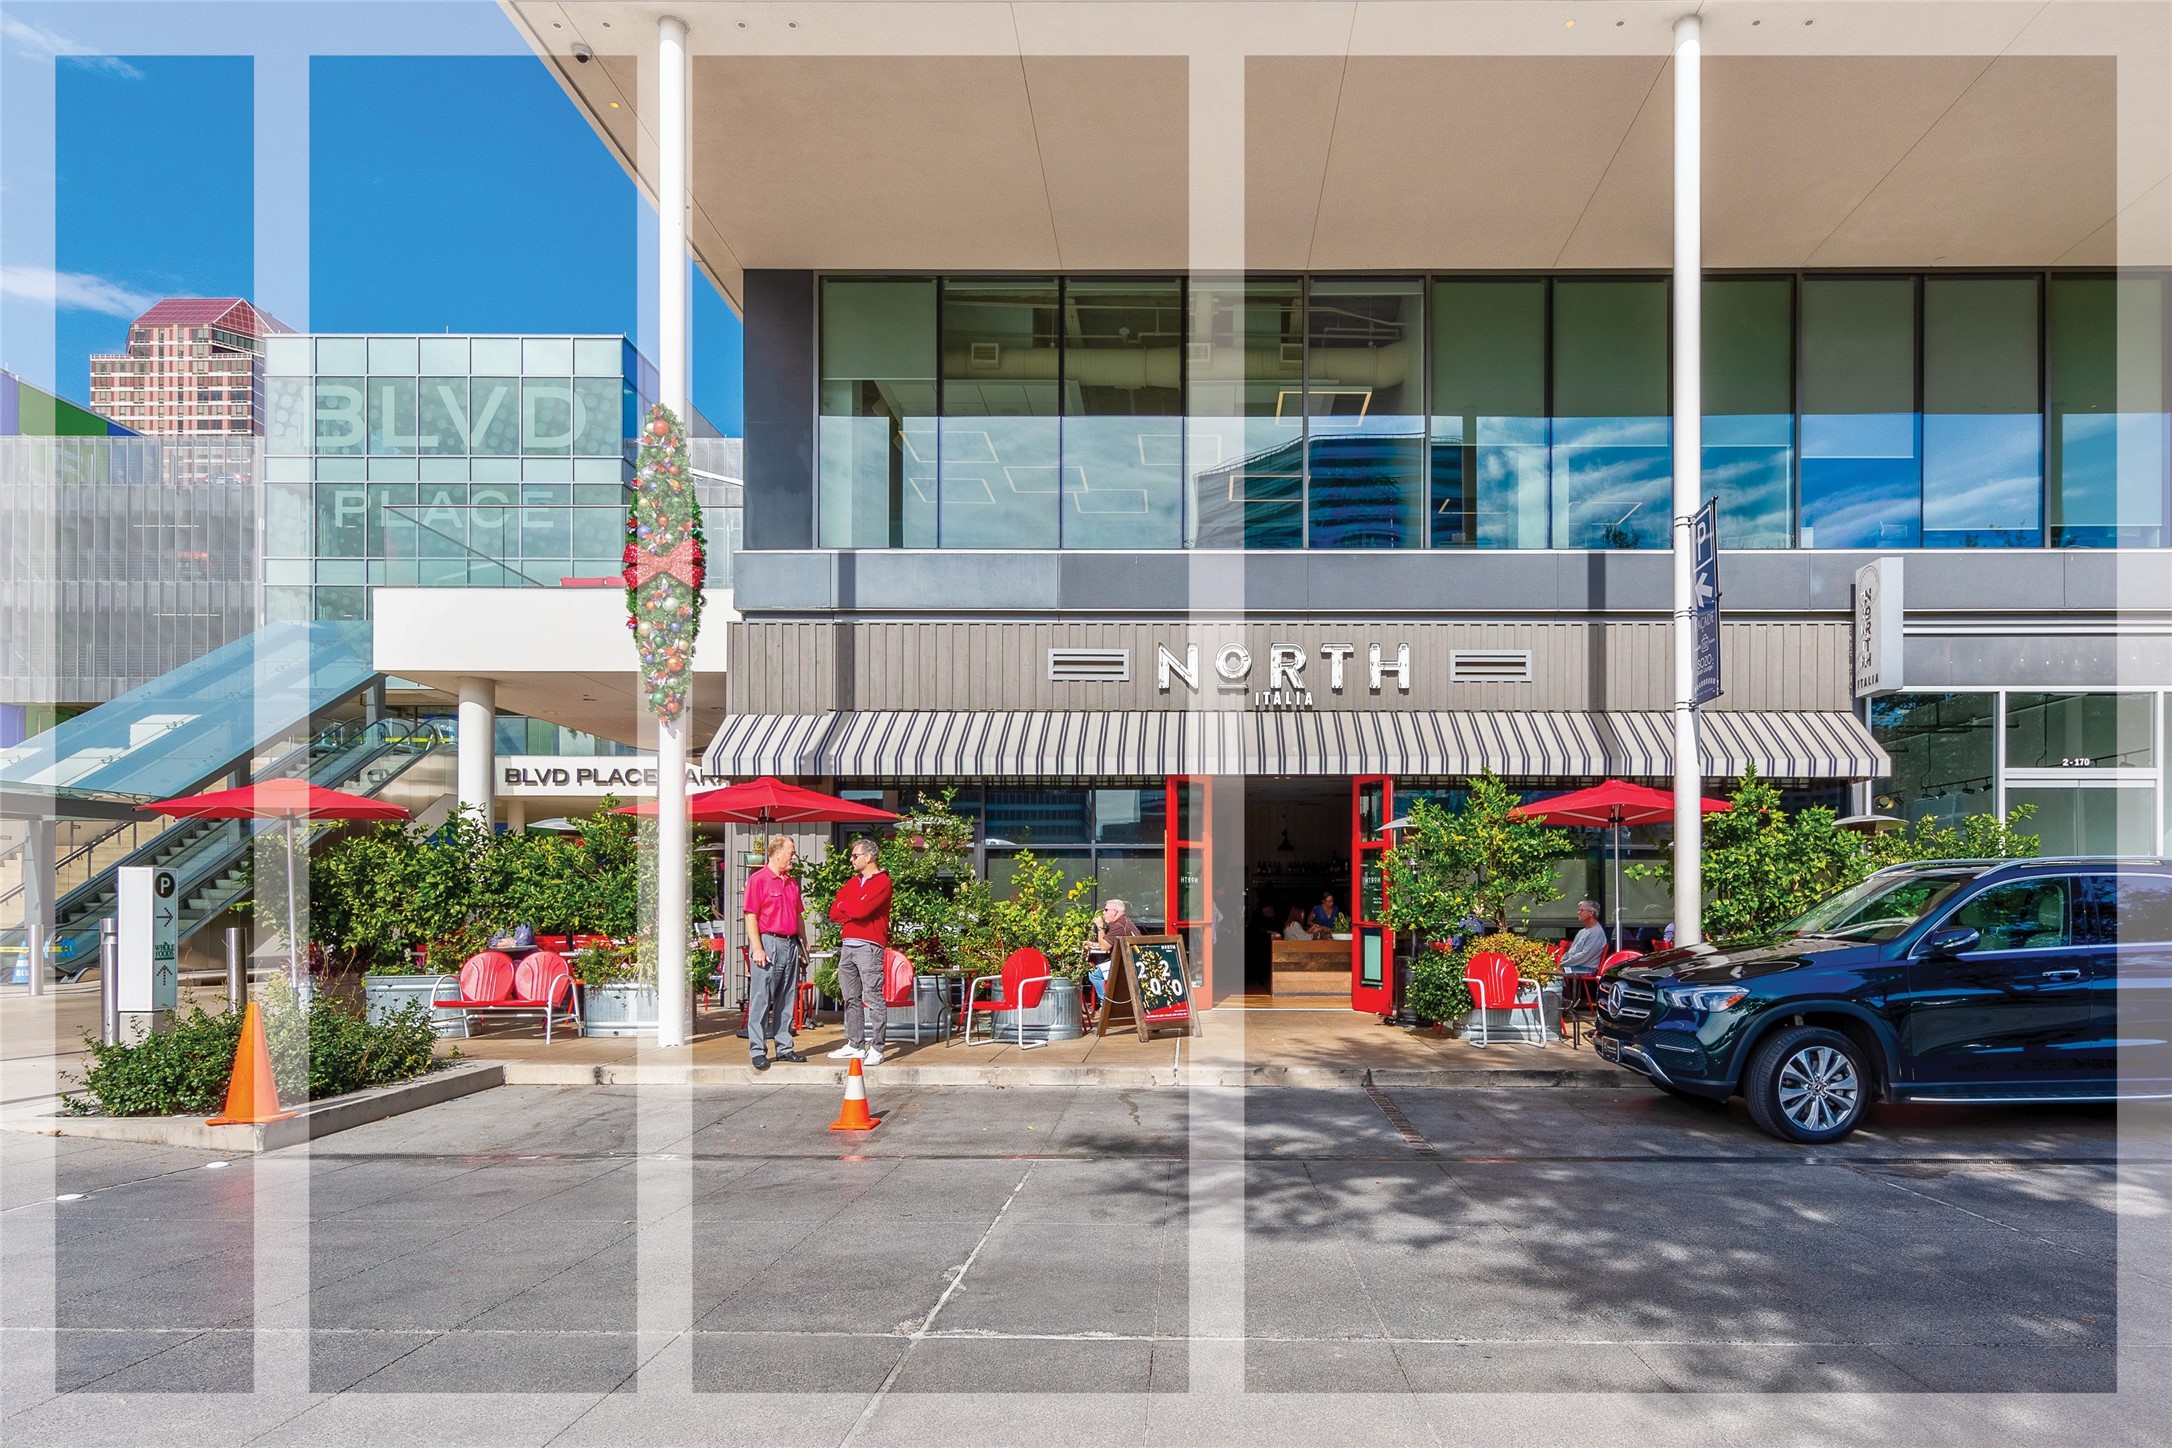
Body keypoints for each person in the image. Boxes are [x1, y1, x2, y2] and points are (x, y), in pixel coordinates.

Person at [741, 835, 809, 1071]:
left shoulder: (791, 883)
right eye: (791, 852)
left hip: (790, 943)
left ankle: (784, 1047)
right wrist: (757, 947)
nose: (793, 857)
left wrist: (803, 943)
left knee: (787, 997)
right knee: (761, 998)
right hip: (768, 942)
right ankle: (758, 1050)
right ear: (776, 853)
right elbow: (751, 916)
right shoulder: (758, 880)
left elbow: (798, 914)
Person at [827, 837, 894, 1065]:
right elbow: (833, 912)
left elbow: (864, 910)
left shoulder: (882, 882)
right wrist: (850, 907)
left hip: (870, 945)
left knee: (873, 996)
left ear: (869, 856)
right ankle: (855, 1044)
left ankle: (877, 1047)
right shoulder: (853, 883)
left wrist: (849, 906)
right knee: (850, 996)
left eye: (855, 856)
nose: (851, 859)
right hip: (848, 945)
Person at [1085, 898, 1141, 1005]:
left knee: (1094, 973)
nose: (1103, 913)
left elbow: (1105, 947)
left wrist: (1100, 927)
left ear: (1115, 912)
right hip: (1129, 960)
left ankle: (1106, 1003)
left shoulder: (1119, 925)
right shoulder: (1122, 922)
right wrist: (1093, 944)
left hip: (1126, 964)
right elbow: (1108, 943)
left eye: (1106, 910)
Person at [1559, 899, 1609, 976]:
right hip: (1575, 965)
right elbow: (1571, 952)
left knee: (1558, 971)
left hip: (1587, 968)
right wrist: (1560, 960)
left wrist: (1562, 963)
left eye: (1582, 910)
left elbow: (1584, 956)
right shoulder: (1582, 931)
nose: (1578, 913)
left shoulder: (1597, 932)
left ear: (1591, 913)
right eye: (1578, 910)